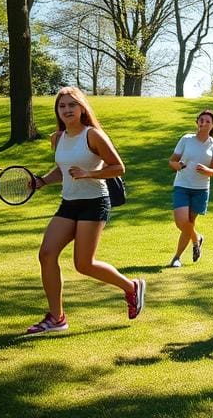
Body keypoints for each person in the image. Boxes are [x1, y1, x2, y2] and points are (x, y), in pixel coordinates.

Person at [25, 87, 145, 335]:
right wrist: (42, 181)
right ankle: (57, 318)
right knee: (47, 254)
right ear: (57, 111)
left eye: (72, 105)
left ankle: (131, 287)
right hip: (69, 203)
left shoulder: (93, 135)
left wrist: (89, 173)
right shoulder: (57, 138)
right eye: (62, 106)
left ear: (82, 108)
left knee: (83, 264)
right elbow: (62, 170)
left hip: (94, 201)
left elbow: (118, 167)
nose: (67, 110)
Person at [167, 108, 213, 267]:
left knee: (189, 222)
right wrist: (177, 166)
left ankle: (176, 258)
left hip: (201, 189)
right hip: (182, 185)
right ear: (197, 122)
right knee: (181, 222)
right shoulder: (186, 139)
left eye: (207, 121)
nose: (203, 123)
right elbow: (172, 161)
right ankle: (197, 238)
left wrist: (207, 171)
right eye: (201, 120)